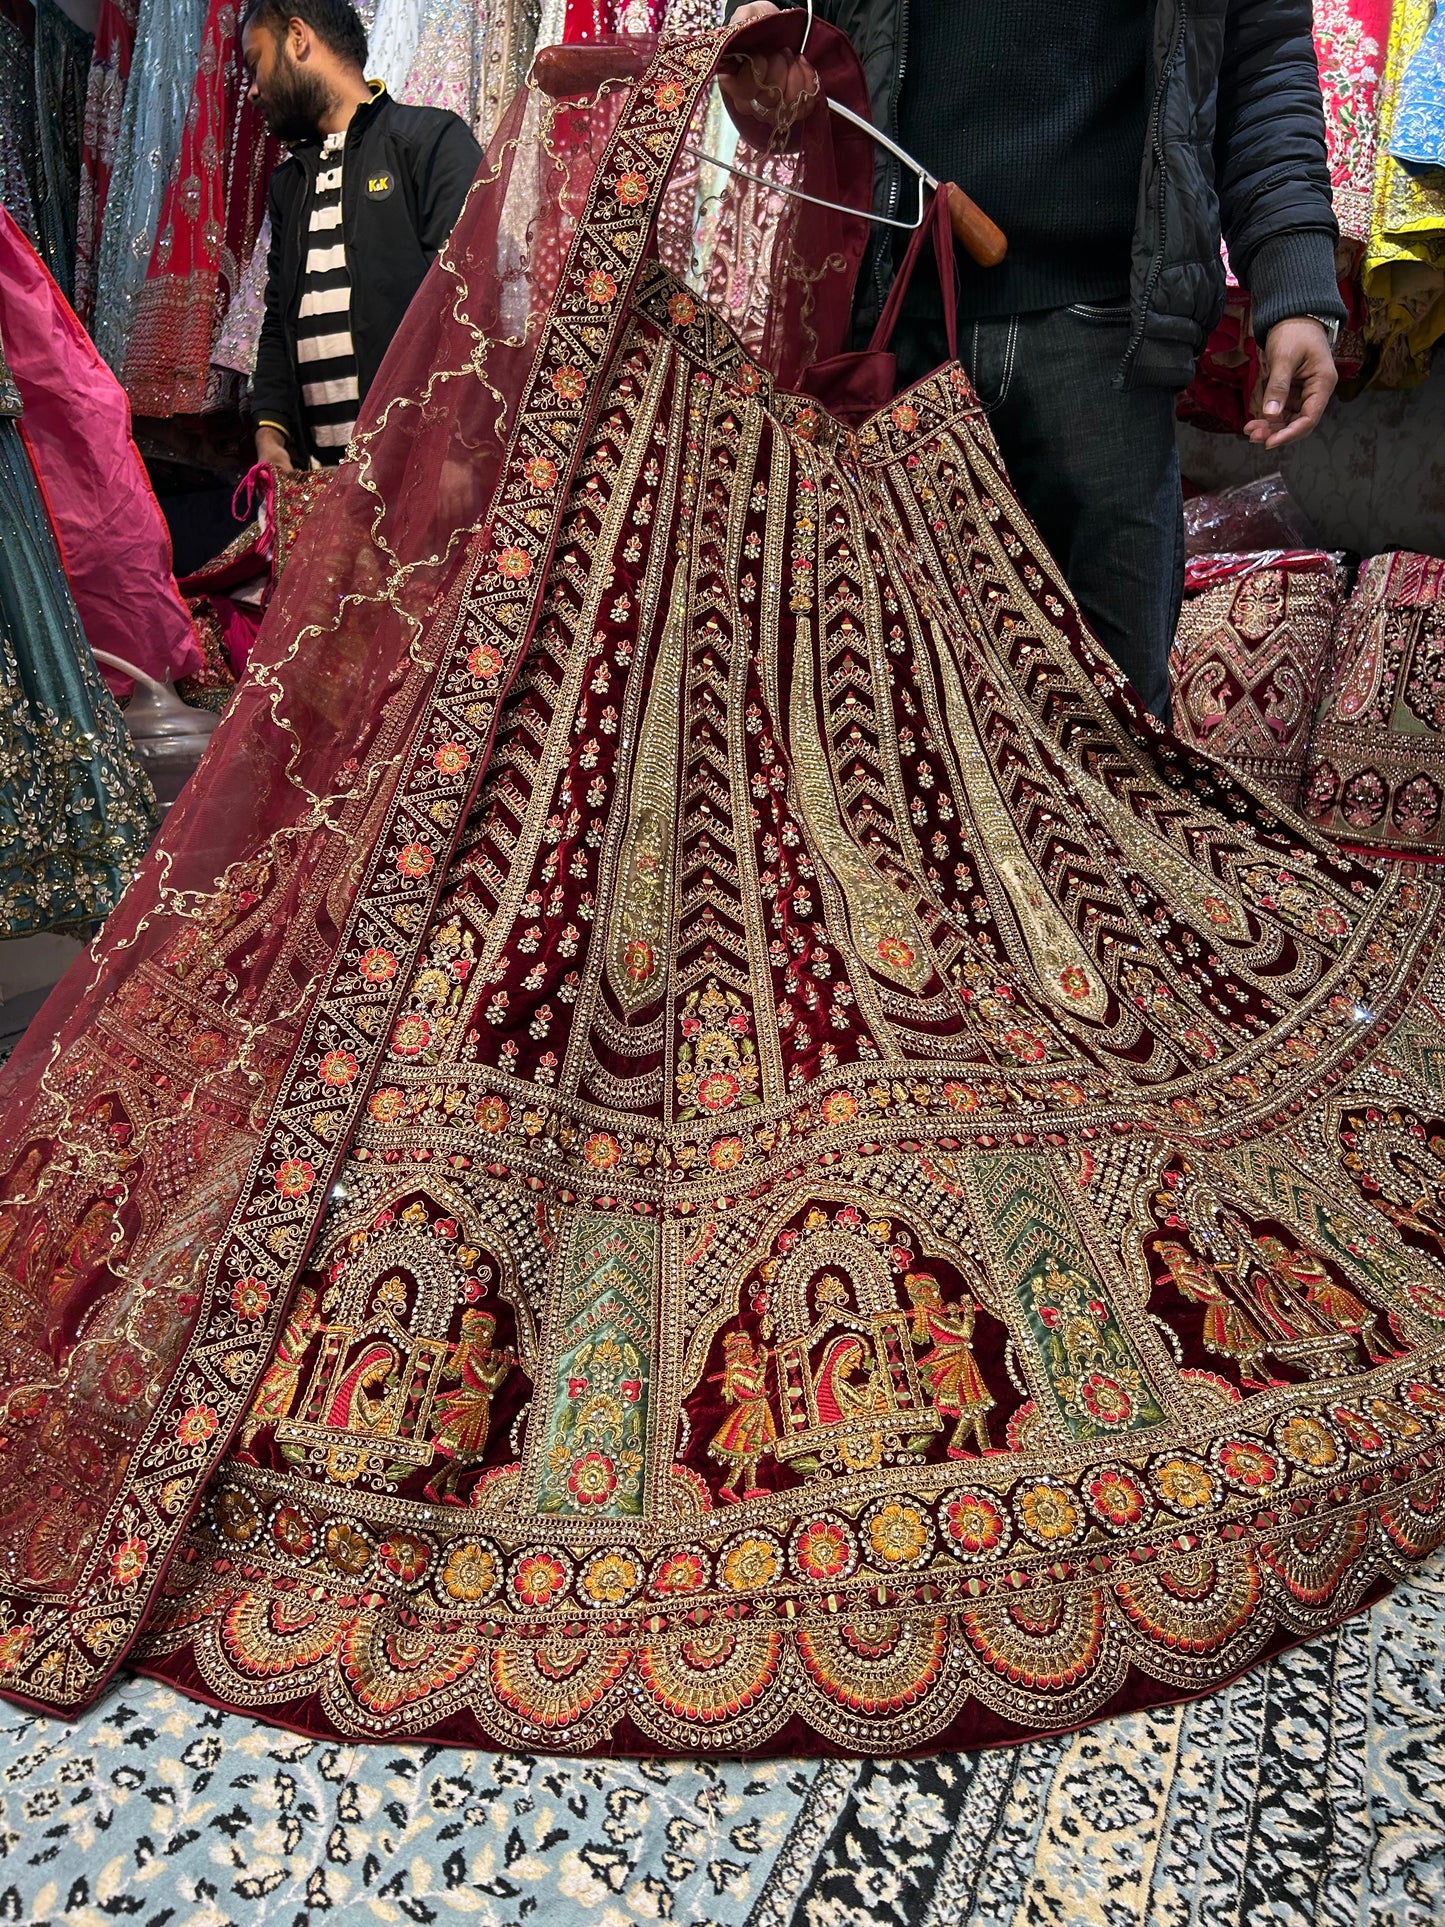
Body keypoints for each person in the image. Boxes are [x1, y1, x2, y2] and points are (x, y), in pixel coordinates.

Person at [722, 0, 1345, 720]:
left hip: (1107, 334)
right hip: (888, 320)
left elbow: (1262, 53)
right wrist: (759, 42)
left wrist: (1295, 280)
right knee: (871, 717)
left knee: (1114, 737)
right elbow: (783, 40)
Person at [242, 0, 482, 471]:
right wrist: (270, 436)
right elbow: (277, 321)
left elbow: (469, 302)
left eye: (257, 64)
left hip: (418, 474)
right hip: (322, 484)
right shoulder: (290, 186)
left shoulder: (429, 140)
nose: (252, 90)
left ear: (297, 38)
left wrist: (452, 451)